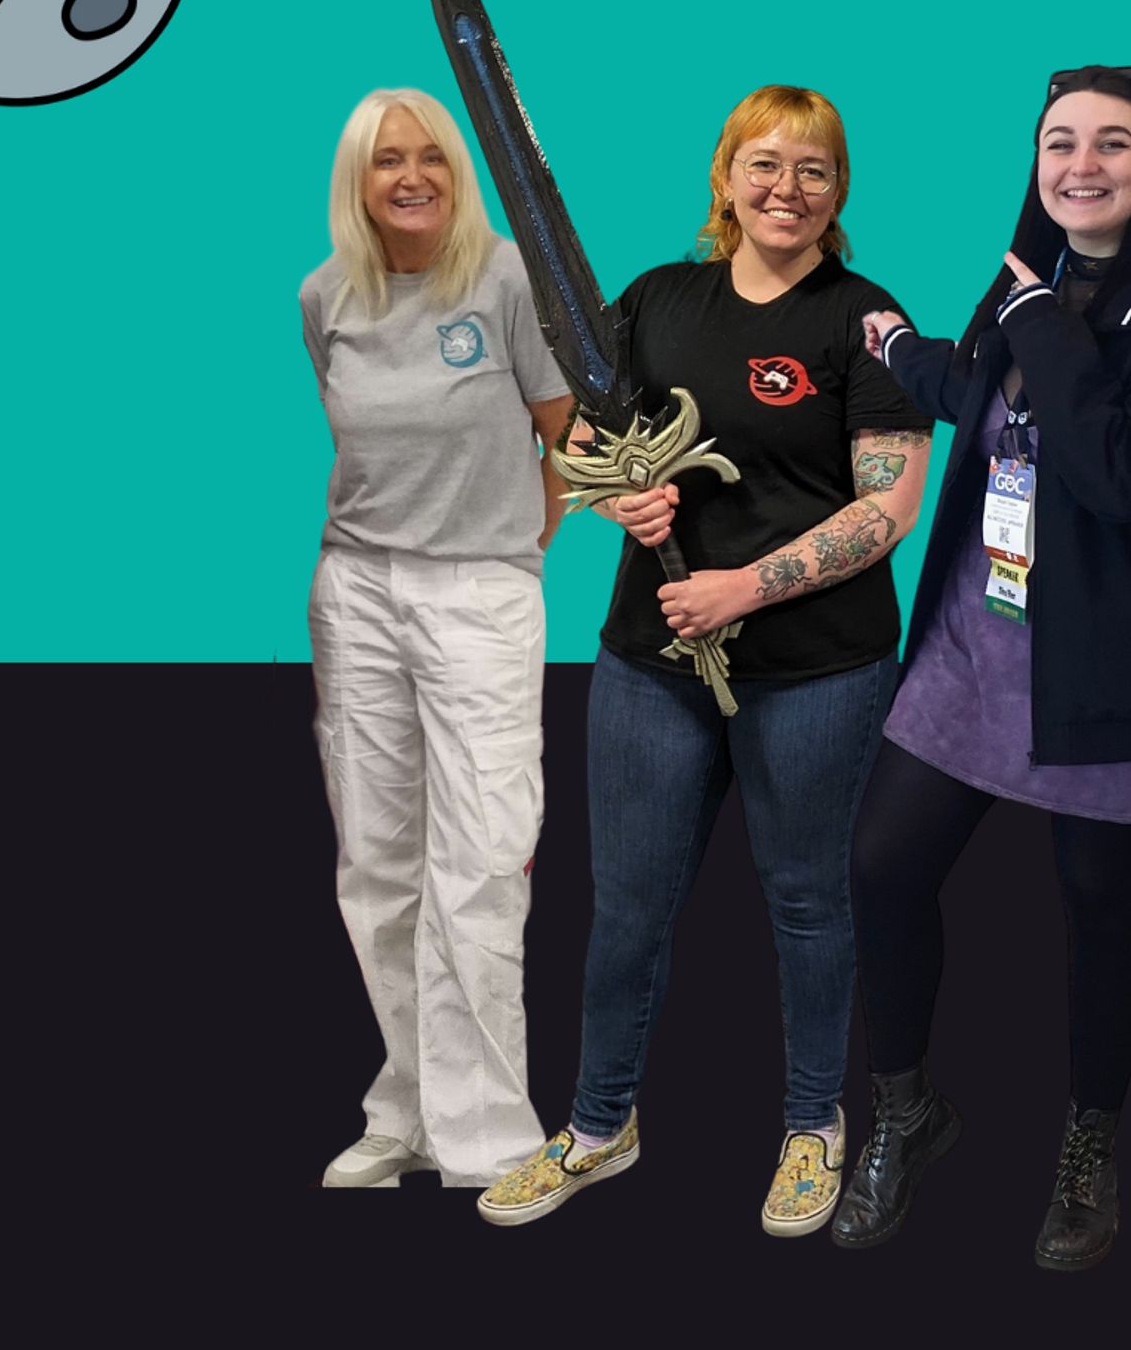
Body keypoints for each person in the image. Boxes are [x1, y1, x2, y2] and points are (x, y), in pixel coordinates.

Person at [478, 85, 933, 1235]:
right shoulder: (652, 301)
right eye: (765, 164)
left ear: (839, 192)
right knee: (626, 904)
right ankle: (597, 1123)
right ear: (725, 176)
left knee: (805, 902)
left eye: (814, 169)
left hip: (816, 667)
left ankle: (809, 1126)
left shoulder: (865, 321)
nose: (787, 188)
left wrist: (748, 581)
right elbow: (581, 436)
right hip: (650, 659)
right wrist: (617, 492)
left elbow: (886, 508)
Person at [833, 65, 1131, 1267]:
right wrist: (913, 350)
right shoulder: (1032, 279)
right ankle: (909, 1112)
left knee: (1100, 909)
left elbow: (1122, 470)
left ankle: (1088, 1143)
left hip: (1118, 671)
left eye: (1110, 143)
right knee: (880, 864)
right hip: (982, 641)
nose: (1080, 164)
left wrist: (1030, 322)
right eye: (1059, 142)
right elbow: (991, 407)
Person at [303, 88, 574, 1190]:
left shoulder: (505, 275)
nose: (410, 176)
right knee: (376, 857)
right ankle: (405, 1107)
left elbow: (568, 435)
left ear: (458, 170)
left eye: (429, 157)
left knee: (478, 857)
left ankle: (491, 1135)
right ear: (356, 181)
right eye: (385, 161)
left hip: (479, 591)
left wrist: (515, 549)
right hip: (357, 587)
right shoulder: (326, 297)